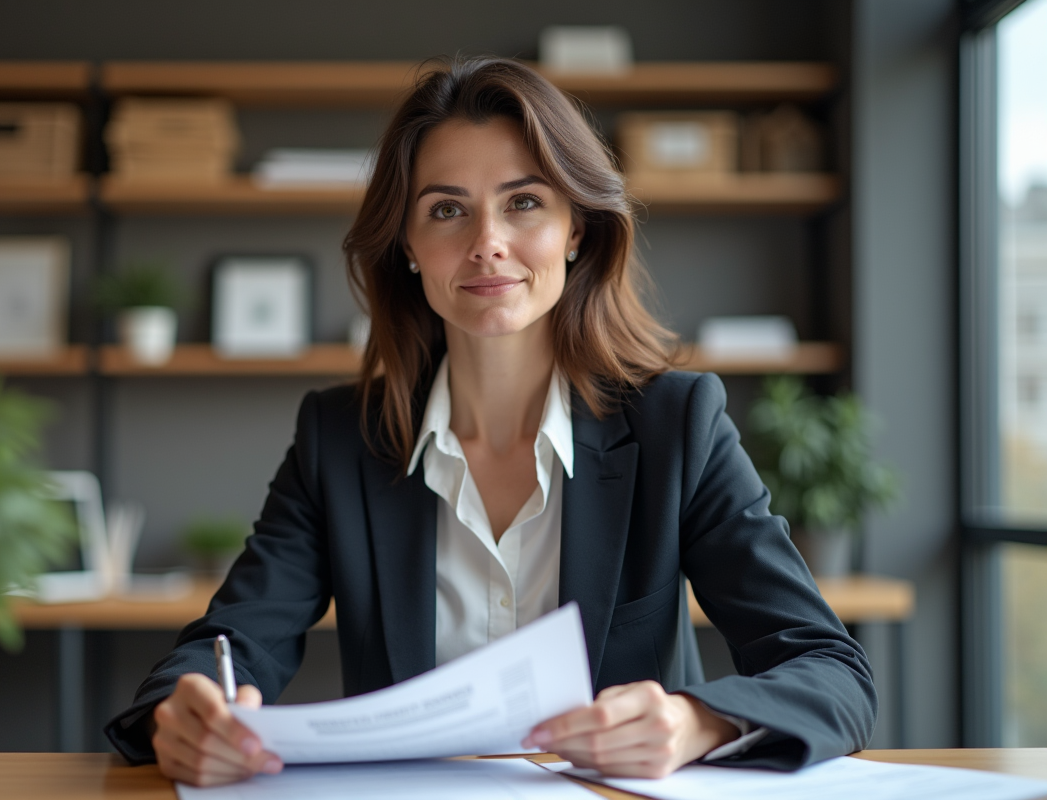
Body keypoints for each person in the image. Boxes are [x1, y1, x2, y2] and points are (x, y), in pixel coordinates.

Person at [105, 56, 876, 785]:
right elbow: (231, 643)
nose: (487, 246)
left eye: (525, 202)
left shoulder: (679, 426)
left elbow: (831, 674)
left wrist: (693, 722)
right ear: (408, 244)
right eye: (447, 210)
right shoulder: (339, 439)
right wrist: (187, 713)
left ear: (576, 228)